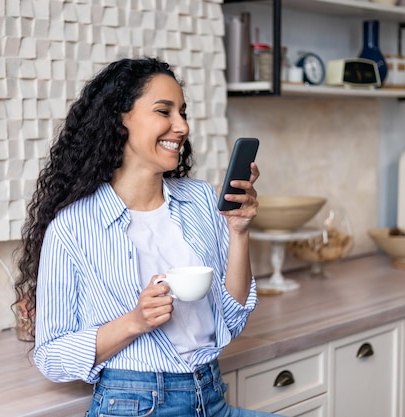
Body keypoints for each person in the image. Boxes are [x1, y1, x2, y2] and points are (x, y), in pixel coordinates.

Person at [15, 57, 282, 417]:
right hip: (133, 404)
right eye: (164, 111)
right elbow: (52, 357)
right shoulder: (72, 227)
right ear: (120, 117)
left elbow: (232, 318)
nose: (181, 126)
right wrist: (136, 321)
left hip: (211, 396)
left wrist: (238, 232)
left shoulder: (201, 200)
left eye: (183, 113)